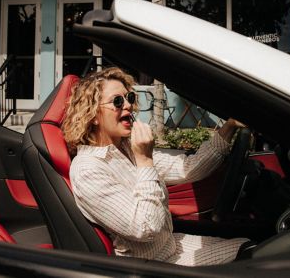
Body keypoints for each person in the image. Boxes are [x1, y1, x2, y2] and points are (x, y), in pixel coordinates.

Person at [63, 67, 250, 266]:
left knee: (251, 249)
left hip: (171, 246)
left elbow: (190, 168)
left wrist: (229, 126)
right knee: (256, 261)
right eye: (117, 101)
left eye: (130, 98)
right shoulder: (88, 170)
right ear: (93, 115)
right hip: (151, 265)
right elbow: (145, 228)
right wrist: (145, 160)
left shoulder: (126, 147)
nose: (127, 105)